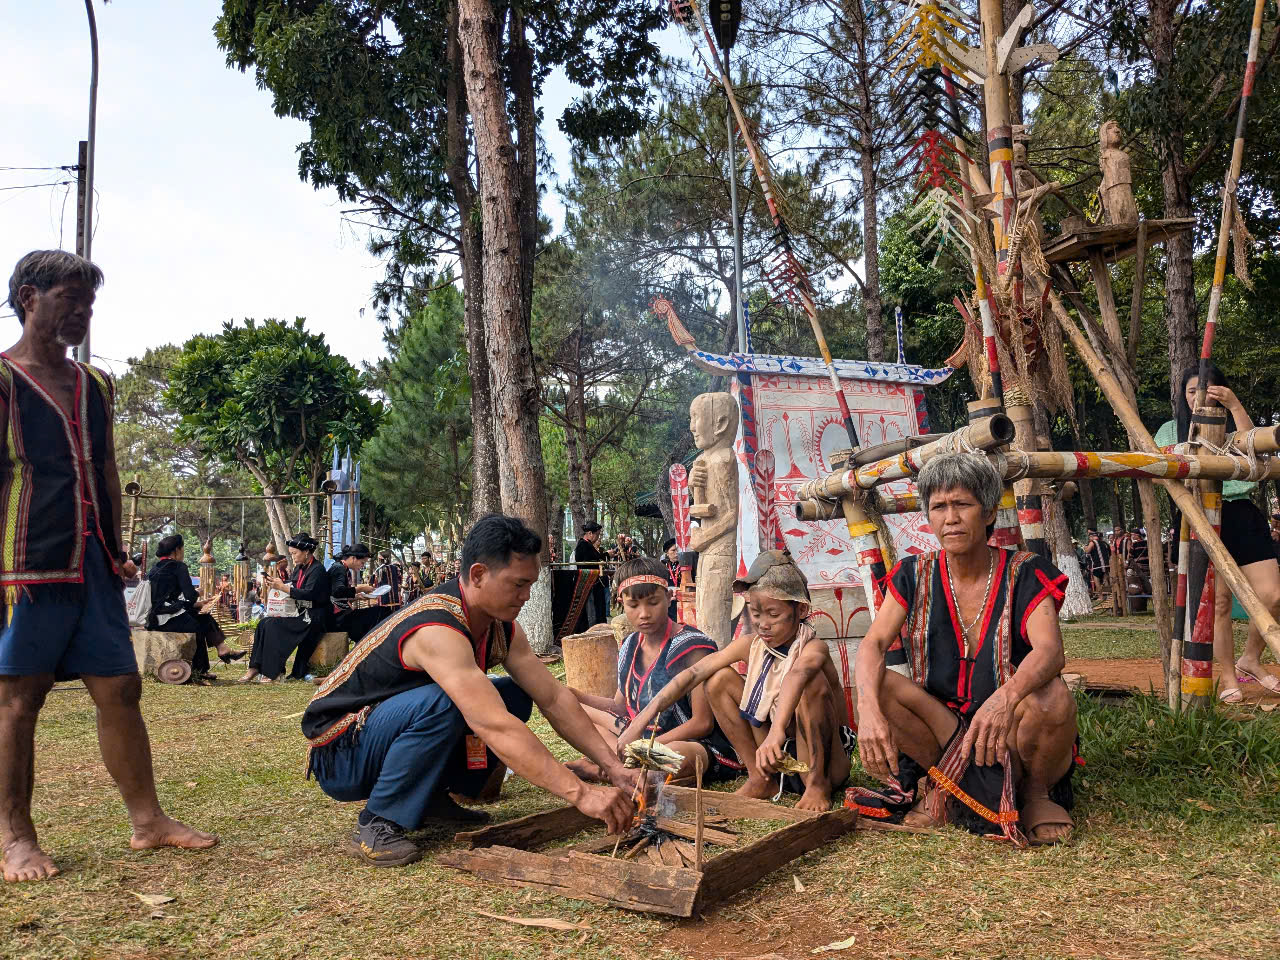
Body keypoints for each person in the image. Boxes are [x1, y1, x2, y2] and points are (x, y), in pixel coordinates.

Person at [0, 250, 215, 882]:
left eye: (89, 302)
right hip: (24, 565)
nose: (82, 311)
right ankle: (15, 837)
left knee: (120, 687)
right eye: (70, 298)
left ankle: (148, 821)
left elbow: (108, 468)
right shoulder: (4, 380)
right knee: (18, 700)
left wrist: (118, 548)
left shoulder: (95, 384)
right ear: (28, 297)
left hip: (92, 562)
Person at [302, 514, 637, 867]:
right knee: (450, 703)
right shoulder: (437, 628)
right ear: (477, 574)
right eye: (518, 584)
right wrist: (581, 794)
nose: (526, 596)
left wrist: (612, 767)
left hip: (383, 733)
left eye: (530, 585)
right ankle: (378, 821)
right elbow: (493, 724)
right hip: (341, 752)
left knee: (515, 693)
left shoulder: (500, 626)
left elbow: (552, 697)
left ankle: (429, 797)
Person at [854, 453, 1078, 845]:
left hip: (1008, 732)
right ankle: (944, 781)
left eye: (962, 504)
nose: (950, 518)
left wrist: (1004, 699)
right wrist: (867, 711)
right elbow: (873, 643)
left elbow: (1050, 651)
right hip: (943, 728)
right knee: (882, 686)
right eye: (938, 507)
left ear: (989, 512)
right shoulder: (913, 573)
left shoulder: (1026, 571)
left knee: (1052, 697)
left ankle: (1034, 793)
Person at [618, 550, 852, 812]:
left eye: (773, 615)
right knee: (716, 679)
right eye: (756, 614)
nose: (763, 624)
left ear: (801, 609)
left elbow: (796, 676)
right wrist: (640, 721)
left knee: (811, 684)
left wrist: (776, 733)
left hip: (822, 761)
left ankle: (817, 786)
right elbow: (693, 674)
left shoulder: (814, 648)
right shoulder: (751, 645)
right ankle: (760, 778)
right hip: (774, 757)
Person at [1155, 364, 1280, 701]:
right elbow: (1155, 470)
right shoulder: (1171, 430)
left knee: (1272, 595)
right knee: (1219, 602)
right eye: (1192, 390)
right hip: (1200, 515)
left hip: (1240, 512)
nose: (1198, 396)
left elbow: (1259, 450)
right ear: (1183, 395)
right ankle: (1228, 678)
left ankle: (1250, 658)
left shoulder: (1234, 424)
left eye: (1207, 390)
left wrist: (1236, 405)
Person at [567, 558, 741, 783]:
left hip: (687, 743)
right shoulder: (630, 644)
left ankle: (603, 769)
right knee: (574, 712)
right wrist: (577, 696)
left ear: (669, 598)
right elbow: (620, 706)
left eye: (653, 602)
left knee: (675, 757)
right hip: (636, 736)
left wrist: (647, 747)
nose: (644, 613)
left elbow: (702, 723)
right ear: (622, 603)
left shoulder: (693, 647)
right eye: (634, 605)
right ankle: (622, 769)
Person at [145, 534, 245, 680]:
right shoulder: (178, 567)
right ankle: (201, 668)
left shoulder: (154, 569)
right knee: (197, 625)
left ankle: (221, 650)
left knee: (204, 618)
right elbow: (190, 595)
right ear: (177, 550)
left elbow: (165, 599)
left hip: (156, 616)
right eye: (182, 549)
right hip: (165, 618)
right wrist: (198, 593)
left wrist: (197, 604)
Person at [240, 534, 329, 684]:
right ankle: (254, 667)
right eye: (291, 553)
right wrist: (276, 584)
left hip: (313, 615)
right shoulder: (299, 569)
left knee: (274, 626)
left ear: (306, 551)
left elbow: (309, 594)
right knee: (264, 623)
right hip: (298, 611)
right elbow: (292, 586)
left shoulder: (317, 569)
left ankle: (273, 672)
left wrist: (282, 587)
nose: (292, 557)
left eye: (295, 553)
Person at [328, 543, 393, 643]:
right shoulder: (339, 568)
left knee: (381, 611)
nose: (363, 566)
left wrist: (357, 597)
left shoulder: (343, 569)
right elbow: (338, 592)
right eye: (362, 563)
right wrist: (360, 588)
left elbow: (340, 595)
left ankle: (365, 644)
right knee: (382, 612)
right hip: (336, 619)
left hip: (341, 615)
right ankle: (367, 646)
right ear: (353, 558)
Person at [574, 521, 608, 624]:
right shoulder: (582, 545)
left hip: (595, 583)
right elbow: (590, 562)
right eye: (597, 535)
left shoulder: (589, 545)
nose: (597, 538)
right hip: (589, 583)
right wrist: (606, 555)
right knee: (591, 610)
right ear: (590, 533)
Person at [1084, 528, 1110, 596]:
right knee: (1105, 579)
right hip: (1106, 565)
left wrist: (1085, 547)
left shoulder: (1092, 542)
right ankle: (1109, 595)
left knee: (1097, 581)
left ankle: (1101, 596)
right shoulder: (1104, 543)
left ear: (1091, 536)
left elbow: (1087, 551)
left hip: (1097, 565)